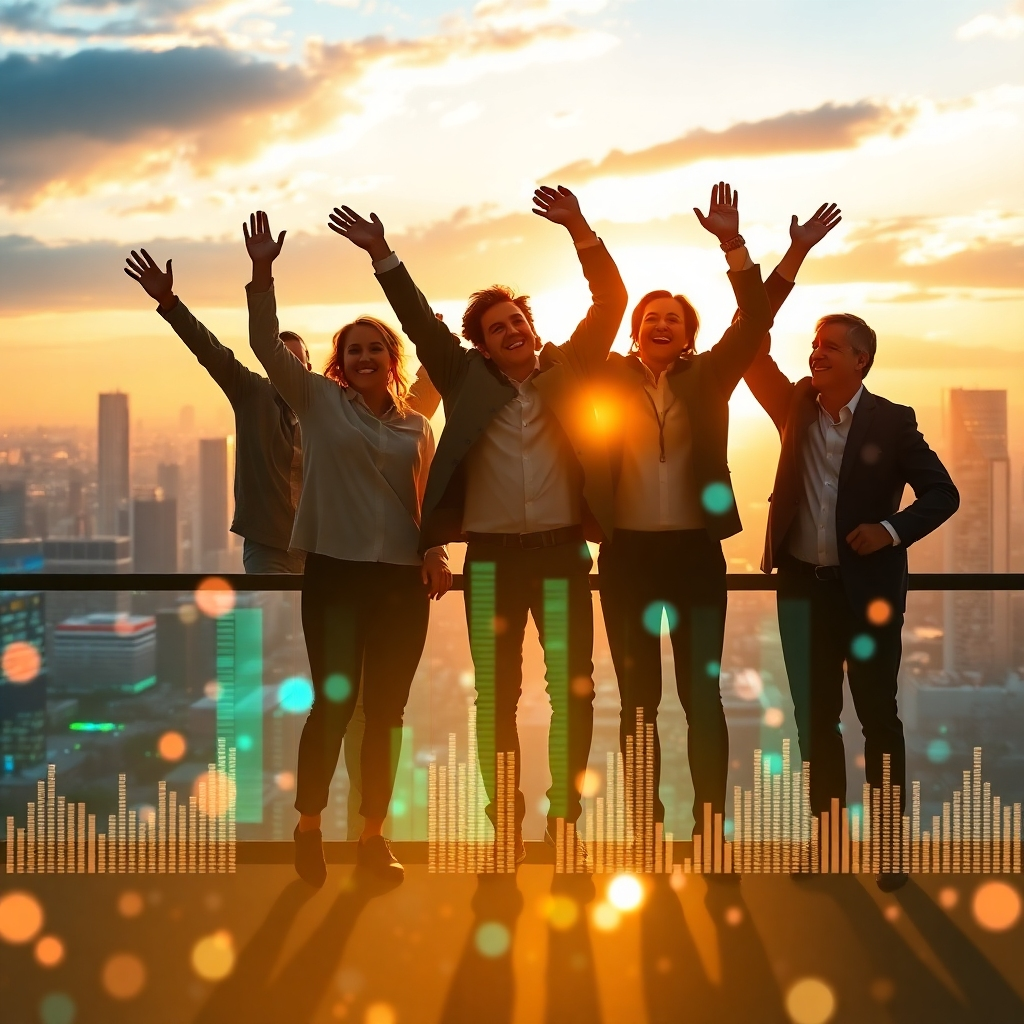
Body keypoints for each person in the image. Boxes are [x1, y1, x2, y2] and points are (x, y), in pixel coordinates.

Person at [330, 186, 627, 865]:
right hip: (490, 562)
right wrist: (384, 257)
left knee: (571, 694)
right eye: (497, 329)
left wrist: (579, 227)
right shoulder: (467, 382)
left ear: (531, 325)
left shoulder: (571, 370)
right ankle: (504, 829)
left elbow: (611, 301)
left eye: (517, 320)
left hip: (560, 558)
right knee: (496, 700)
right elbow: (418, 320)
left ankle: (565, 823)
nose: (513, 332)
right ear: (484, 349)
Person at [597, 191, 843, 850]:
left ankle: (711, 831)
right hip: (624, 561)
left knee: (701, 699)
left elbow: (756, 317)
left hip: (694, 559)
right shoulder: (608, 380)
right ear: (635, 329)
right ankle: (643, 830)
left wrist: (746, 247)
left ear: (690, 334)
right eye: (651, 316)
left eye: (674, 317)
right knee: (637, 705)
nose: (661, 322)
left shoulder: (709, 378)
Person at [243, 210, 452, 887]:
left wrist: (436, 550)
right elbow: (262, 345)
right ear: (340, 363)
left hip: (400, 586)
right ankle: (309, 827)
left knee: (386, 713)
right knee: (332, 706)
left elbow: (426, 502)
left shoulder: (419, 423)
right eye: (353, 350)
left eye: (375, 350)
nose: (364, 358)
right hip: (333, 577)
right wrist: (263, 273)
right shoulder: (316, 403)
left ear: (394, 363)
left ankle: (371, 838)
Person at [745, 309, 959, 891]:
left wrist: (889, 531)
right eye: (815, 345)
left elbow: (944, 493)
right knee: (815, 723)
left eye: (831, 346)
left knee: (878, 720)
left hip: (867, 596)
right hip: (801, 591)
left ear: (861, 359)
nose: (817, 354)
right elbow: (750, 348)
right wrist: (736, 254)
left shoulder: (892, 421)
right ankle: (827, 840)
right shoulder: (793, 406)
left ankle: (890, 848)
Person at [124, 247, 308, 574]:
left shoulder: (326, 407)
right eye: (282, 358)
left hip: (318, 547)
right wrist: (169, 302)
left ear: (310, 367)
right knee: (273, 618)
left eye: (298, 361)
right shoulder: (252, 393)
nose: (289, 368)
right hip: (268, 546)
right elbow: (210, 350)